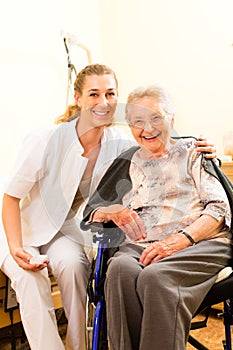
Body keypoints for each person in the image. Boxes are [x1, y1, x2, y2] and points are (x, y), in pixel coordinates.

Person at [0, 64, 217, 350]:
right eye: (94, 94)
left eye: (110, 93)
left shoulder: (119, 143)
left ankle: (79, 346)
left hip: (64, 232)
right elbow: (11, 198)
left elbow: (154, 140)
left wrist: (201, 147)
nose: (103, 102)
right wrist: (16, 247)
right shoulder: (45, 140)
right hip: (20, 229)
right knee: (31, 278)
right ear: (78, 99)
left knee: (76, 268)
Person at [81, 85, 232, 350]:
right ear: (130, 126)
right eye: (138, 121)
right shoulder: (127, 161)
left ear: (171, 120)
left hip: (199, 242)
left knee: (155, 277)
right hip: (141, 244)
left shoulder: (194, 151)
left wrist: (179, 240)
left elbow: (219, 210)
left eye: (155, 118)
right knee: (118, 269)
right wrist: (113, 211)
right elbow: (92, 210)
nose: (147, 128)